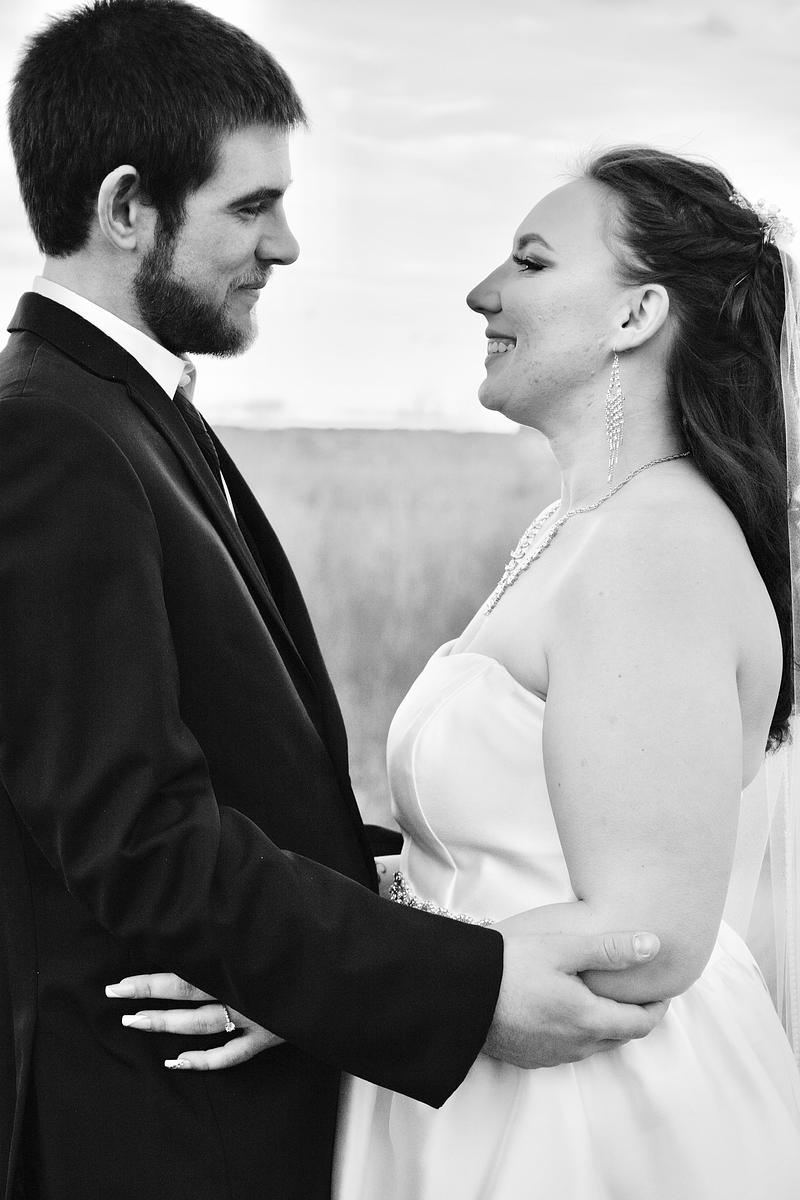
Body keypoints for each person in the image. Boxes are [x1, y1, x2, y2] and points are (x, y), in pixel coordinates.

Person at [0, 4, 670, 1198]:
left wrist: (400, 902)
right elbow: (139, 842)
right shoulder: (52, 437)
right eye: (250, 207)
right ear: (125, 209)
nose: (288, 245)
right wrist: (459, 987)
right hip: (154, 1140)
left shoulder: (127, 412)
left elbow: (233, 781)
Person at [124, 148, 800, 1198]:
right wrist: (331, 928)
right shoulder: (577, 529)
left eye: (530, 262)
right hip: (477, 1073)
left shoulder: (655, 549)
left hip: (587, 1128)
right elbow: (490, 860)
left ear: (635, 316)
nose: (482, 293)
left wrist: (317, 987)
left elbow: (644, 940)